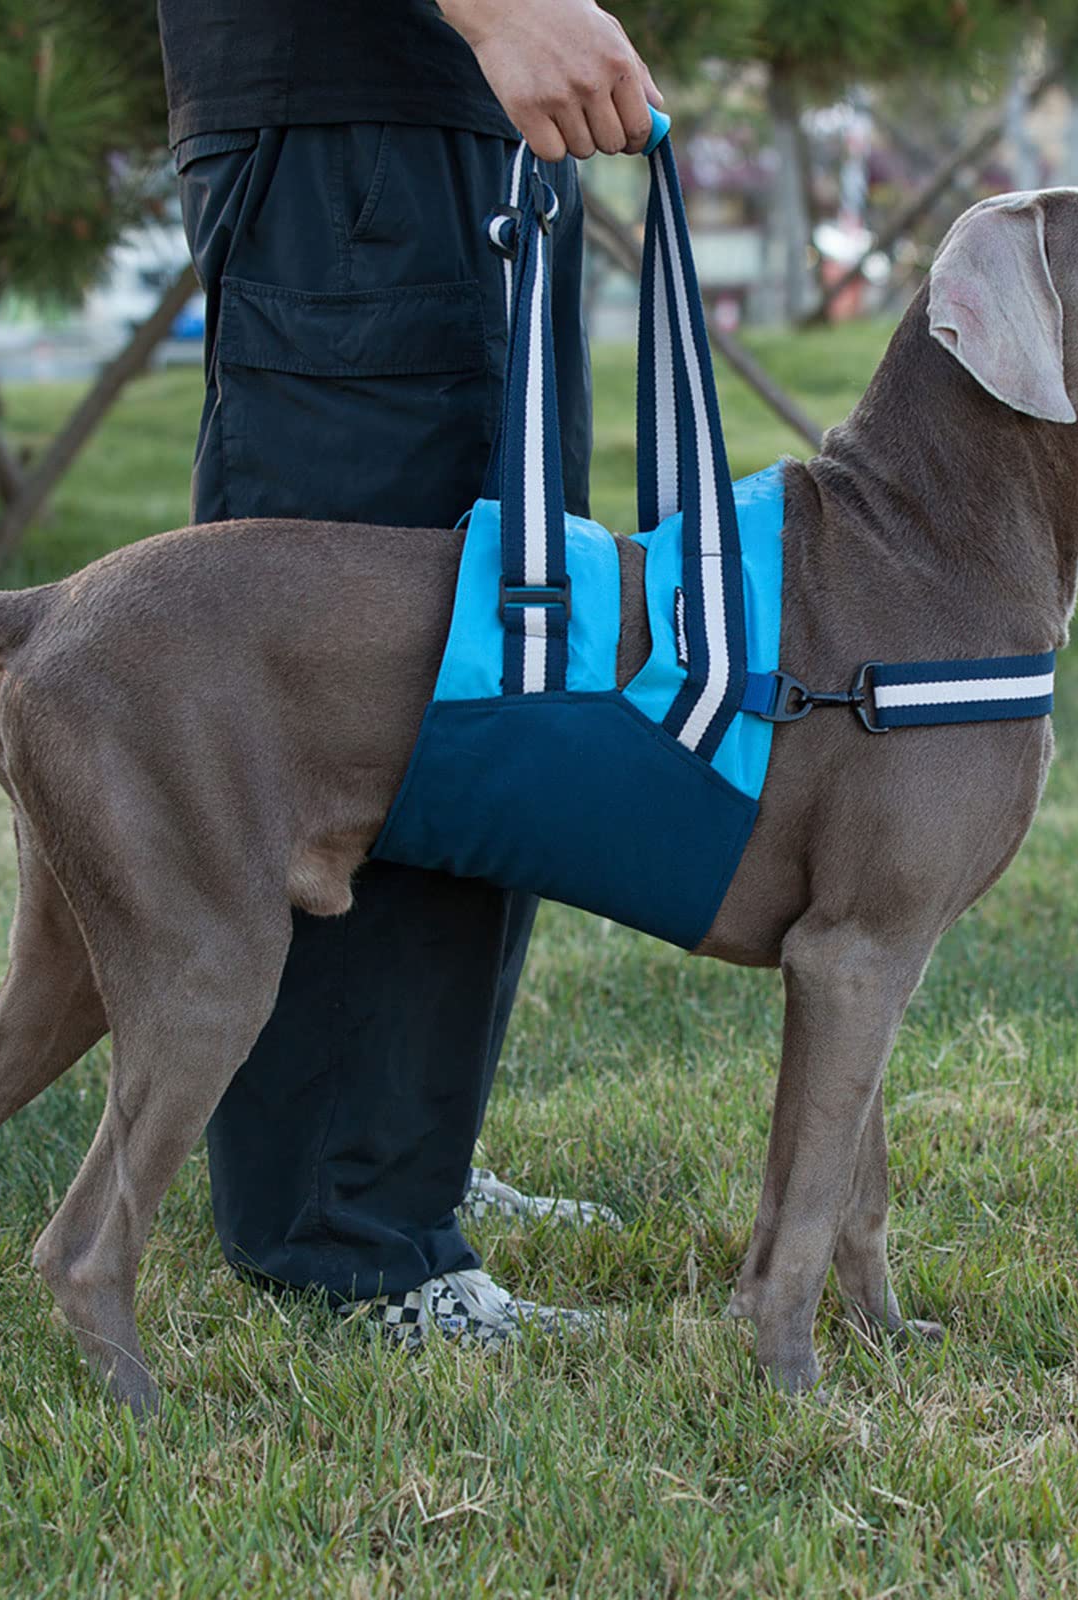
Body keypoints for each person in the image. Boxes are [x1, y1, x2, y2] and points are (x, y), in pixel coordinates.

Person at [155, 0, 662, 1343]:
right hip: (355, 127)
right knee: (368, 686)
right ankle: (344, 1234)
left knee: (493, 660)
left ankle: (398, 1158)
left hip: (452, 119)